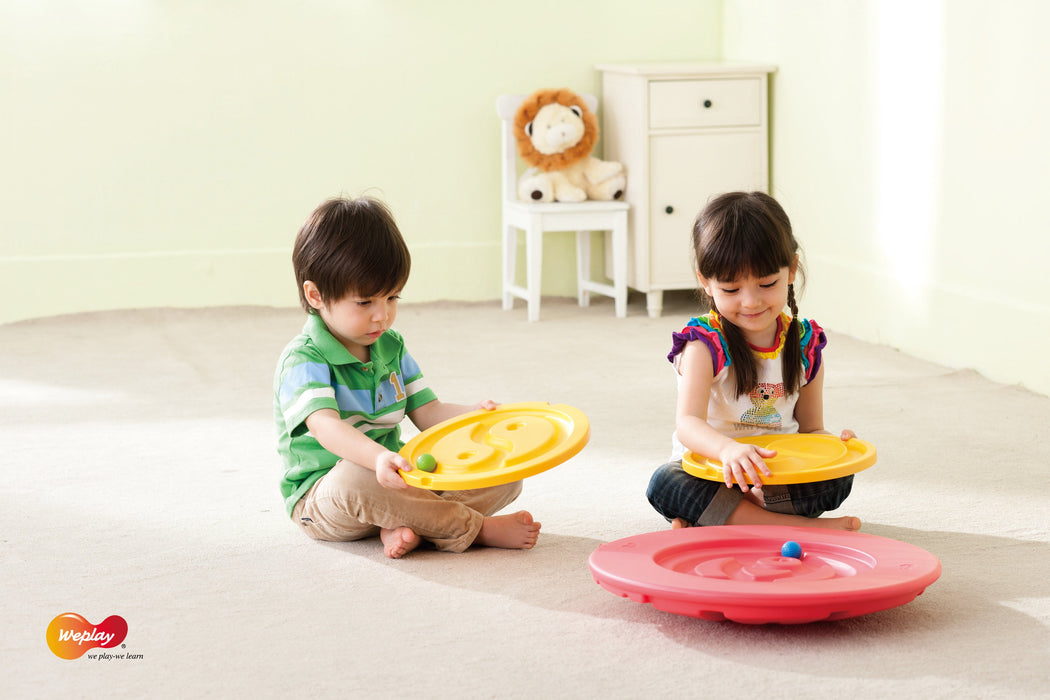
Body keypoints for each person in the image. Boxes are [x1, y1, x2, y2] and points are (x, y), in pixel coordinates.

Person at [274, 195, 540, 558]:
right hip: (326, 497)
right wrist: (376, 458)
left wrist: (479, 417)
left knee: (506, 471)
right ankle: (473, 530)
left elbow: (429, 411)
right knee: (356, 475)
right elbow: (326, 427)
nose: (381, 316)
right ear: (316, 295)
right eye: (365, 303)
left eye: (392, 298)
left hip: (397, 483)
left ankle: (410, 523)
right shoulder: (304, 357)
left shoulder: (390, 345)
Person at [646, 191, 860, 531]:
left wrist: (833, 446)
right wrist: (728, 451)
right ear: (706, 281)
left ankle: (727, 518)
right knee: (665, 483)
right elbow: (688, 423)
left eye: (766, 283)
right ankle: (792, 528)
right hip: (713, 471)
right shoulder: (704, 344)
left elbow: (811, 429)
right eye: (731, 290)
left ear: (791, 270)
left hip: (775, 479)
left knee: (841, 478)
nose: (750, 302)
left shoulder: (805, 344)